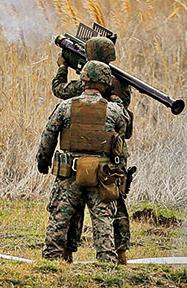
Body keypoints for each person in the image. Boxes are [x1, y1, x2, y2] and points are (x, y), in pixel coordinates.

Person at [38, 61, 130, 264]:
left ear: (83, 80)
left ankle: (50, 262)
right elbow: (121, 145)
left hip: (69, 173)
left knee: (59, 217)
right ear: (105, 83)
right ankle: (107, 261)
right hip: (101, 175)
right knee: (103, 218)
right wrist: (119, 174)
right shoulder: (114, 111)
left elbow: (48, 136)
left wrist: (43, 162)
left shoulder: (66, 106)